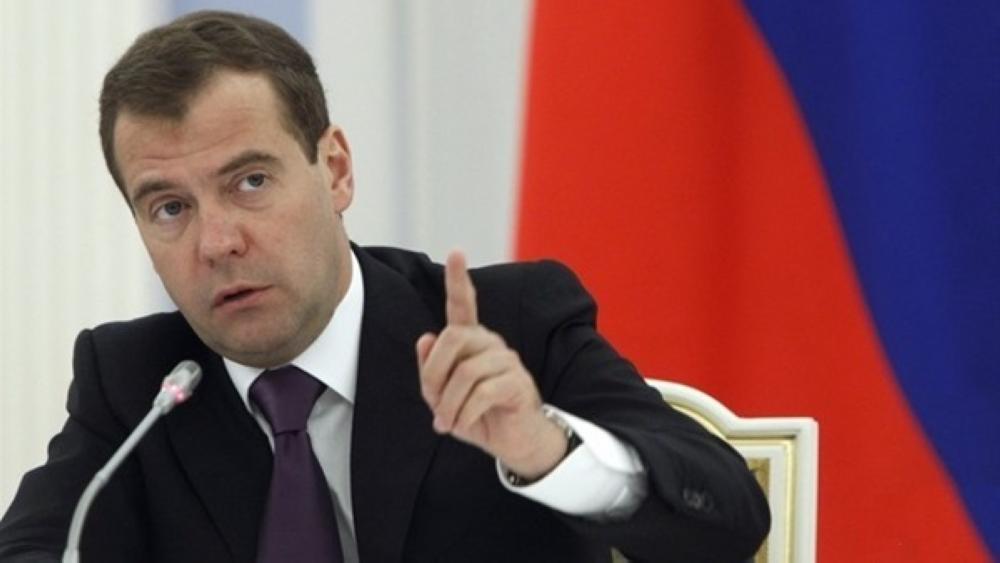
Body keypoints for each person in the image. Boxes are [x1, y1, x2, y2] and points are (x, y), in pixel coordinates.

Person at [0, 10, 768, 563]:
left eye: (251, 181)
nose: (217, 241)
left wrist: (543, 448)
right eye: (170, 207)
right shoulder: (136, 383)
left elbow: (730, 519)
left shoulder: (513, 325)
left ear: (335, 170)